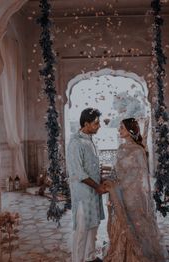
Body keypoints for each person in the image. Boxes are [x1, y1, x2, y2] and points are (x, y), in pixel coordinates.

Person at [103, 118, 166, 262]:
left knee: (135, 224)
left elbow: (139, 176)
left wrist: (117, 185)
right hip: (120, 193)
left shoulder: (138, 151)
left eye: (122, 128)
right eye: (120, 128)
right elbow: (116, 170)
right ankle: (123, 254)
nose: (119, 130)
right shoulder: (120, 148)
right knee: (122, 223)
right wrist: (108, 180)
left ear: (130, 131)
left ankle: (137, 254)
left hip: (133, 195)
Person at [67, 108, 107, 262]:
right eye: (96, 123)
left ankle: (90, 257)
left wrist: (101, 180)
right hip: (83, 194)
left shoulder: (89, 139)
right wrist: (97, 187)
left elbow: (92, 167)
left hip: (93, 193)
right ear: (86, 124)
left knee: (93, 226)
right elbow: (78, 172)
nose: (99, 126)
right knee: (82, 230)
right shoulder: (76, 143)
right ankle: (78, 259)